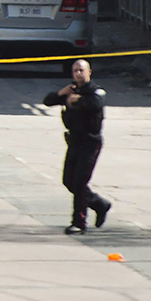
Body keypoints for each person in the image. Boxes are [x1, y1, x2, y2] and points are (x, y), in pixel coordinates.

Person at [45, 58, 111, 233]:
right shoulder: (70, 90)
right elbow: (47, 100)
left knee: (80, 182)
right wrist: (61, 94)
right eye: (75, 70)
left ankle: (79, 222)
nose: (78, 73)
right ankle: (99, 204)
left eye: (81, 70)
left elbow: (96, 104)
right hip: (74, 141)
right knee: (69, 181)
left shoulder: (95, 91)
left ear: (89, 72)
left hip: (90, 142)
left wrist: (77, 101)